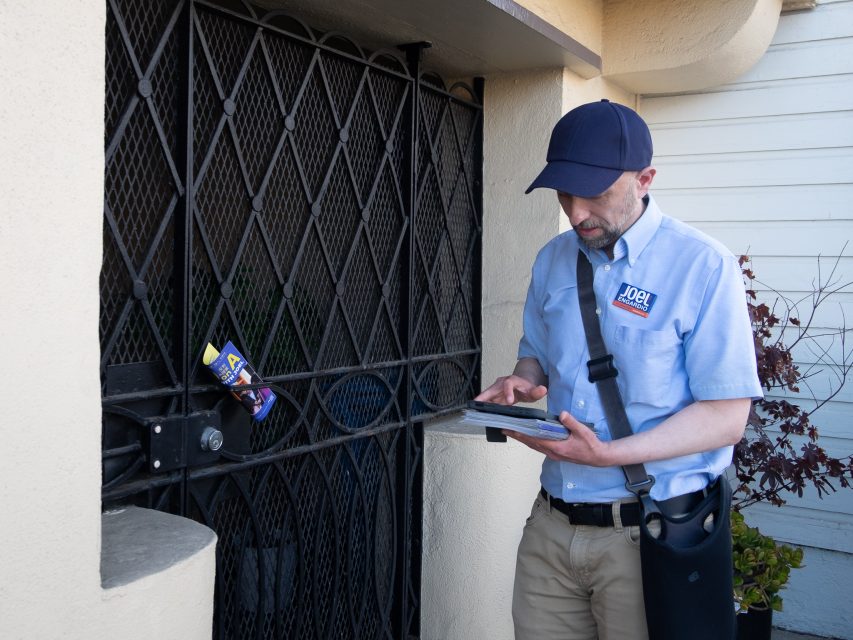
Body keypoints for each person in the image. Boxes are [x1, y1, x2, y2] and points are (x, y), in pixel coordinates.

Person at [476, 99, 762, 640]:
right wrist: (522, 380)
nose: (577, 212)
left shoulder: (702, 266)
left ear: (645, 179)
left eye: (596, 193)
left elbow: (726, 416)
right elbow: (536, 353)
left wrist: (608, 455)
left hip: (648, 535)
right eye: (564, 194)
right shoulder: (552, 259)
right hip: (551, 529)